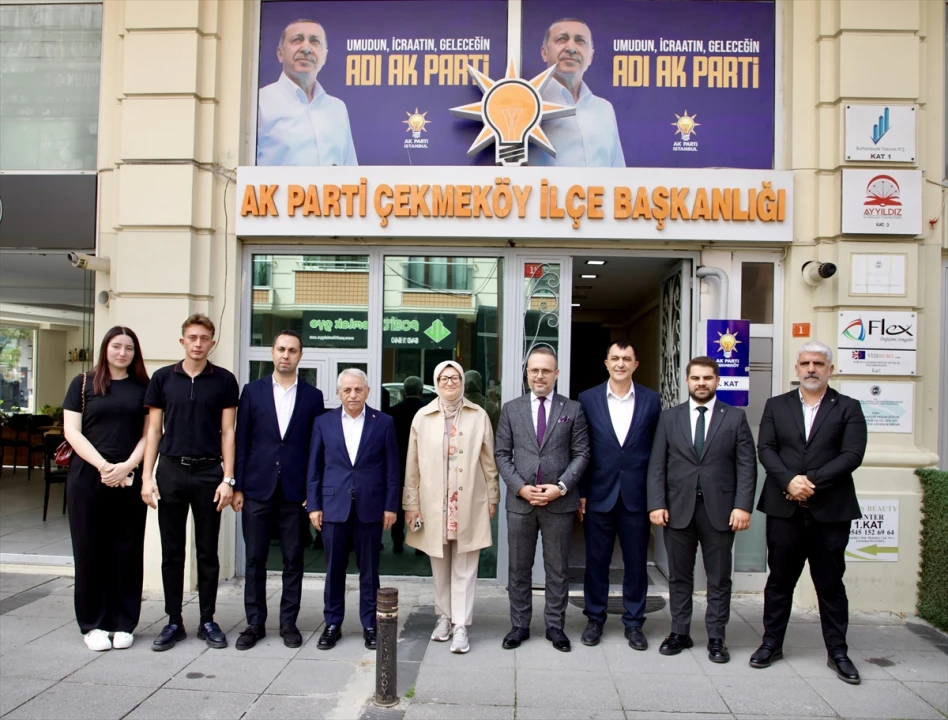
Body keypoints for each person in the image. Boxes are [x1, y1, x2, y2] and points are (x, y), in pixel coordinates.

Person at [750, 341, 867, 684]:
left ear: (830, 369)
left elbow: (852, 455)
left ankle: (838, 652)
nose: (811, 369)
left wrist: (809, 482)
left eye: (818, 363)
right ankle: (771, 644)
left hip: (830, 512)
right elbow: (766, 449)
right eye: (805, 363)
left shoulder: (848, 407)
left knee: (830, 585)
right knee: (779, 582)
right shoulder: (777, 405)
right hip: (784, 511)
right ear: (797, 368)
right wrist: (789, 481)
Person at [646, 356, 758, 663]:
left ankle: (717, 638)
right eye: (695, 378)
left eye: (707, 378)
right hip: (677, 510)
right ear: (687, 381)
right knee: (679, 577)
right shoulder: (669, 418)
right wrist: (656, 503)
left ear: (717, 381)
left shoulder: (734, 417)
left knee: (718, 578)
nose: (701, 383)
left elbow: (746, 466)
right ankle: (679, 632)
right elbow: (657, 465)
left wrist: (742, 506)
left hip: (720, 512)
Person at [141, 314, 240, 652]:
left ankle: (207, 620)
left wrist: (228, 478)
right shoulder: (162, 378)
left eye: (204, 338)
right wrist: (146, 476)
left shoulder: (224, 380)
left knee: (208, 551)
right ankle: (173, 621)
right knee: (172, 551)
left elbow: (228, 432)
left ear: (213, 343)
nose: (198, 344)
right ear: (182, 341)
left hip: (209, 473)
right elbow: (154, 430)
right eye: (192, 338)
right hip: (170, 470)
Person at [232, 330, 326, 651]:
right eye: (281, 349)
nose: (286, 355)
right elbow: (242, 440)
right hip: (256, 489)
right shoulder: (252, 392)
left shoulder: (313, 397)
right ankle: (255, 623)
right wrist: (238, 486)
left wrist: (312, 490)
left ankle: (288, 623)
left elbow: (316, 448)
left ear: (300, 355)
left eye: (292, 350)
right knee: (254, 559)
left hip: (294, 493)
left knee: (293, 560)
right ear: (272, 352)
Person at [495, 346, 589, 652]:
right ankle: (519, 625)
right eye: (534, 370)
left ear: (556, 374)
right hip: (520, 503)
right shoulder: (511, 409)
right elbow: (501, 454)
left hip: (559, 503)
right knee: (518, 568)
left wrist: (560, 487)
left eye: (546, 371)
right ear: (527, 373)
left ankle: (555, 626)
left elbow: (582, 454)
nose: (539, 376)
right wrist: (520, 487)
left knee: (557, 569)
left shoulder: (572, 409)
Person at [62, 326, 150, 651]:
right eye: (116, 346)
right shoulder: (83, 384)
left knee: (127, 551)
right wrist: (103, 467)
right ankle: (93, 624)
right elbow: (72, 431)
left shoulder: (144, 387)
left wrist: (127, 467)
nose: (122, 353)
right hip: (87, 478)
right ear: (105, 348)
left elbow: (150, 434)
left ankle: (124, 623)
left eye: (129, 348)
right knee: (89, 551)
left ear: (135, 353)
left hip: (128, 478)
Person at [403, 361, 500, 654]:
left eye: (455, 377)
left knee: (466, 566)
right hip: (434, 503)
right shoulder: (422, 417)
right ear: (436, 382)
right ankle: (444, 618)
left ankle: (461, 626)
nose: (449, 382)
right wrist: (411, 503)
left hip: (468, 500)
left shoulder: (478, 415)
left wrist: (492, 497)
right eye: (444, 378)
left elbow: (489, 461)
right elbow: (412, 465)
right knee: (440, 564)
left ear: (462, 382)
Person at [307, 368, 398, 650]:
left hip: (370, 507)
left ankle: (370, 624)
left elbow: (392, 470)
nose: (353, 395)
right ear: (338, 393)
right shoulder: (324, 422)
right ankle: (332, 624)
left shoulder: (383, 422)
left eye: (358, 389)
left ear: (367, 391)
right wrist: (314, 505)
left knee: (369, 571)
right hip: (333, 507)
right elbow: (314, 468)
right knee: (334, 569)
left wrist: (391, 506)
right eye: (347, 390)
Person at [577, 342, 660, 650]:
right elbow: (581, 449)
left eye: (626, 359)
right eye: (615, 358)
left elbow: (657, 452)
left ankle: (634, 622)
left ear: (636, 364)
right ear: (606, 363)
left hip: (637, 497)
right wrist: (581, 492)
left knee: (636, 563)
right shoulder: (588, 399)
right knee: (596, 561)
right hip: (598, 495)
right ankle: (594, 619)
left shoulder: (652, 400)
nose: (620, 363)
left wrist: (656, 498)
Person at [257, 19, 358, 166]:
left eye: (314, 41)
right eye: (297, 40)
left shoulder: (337, 108)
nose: (306, 48)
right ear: (280, 53)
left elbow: (350, 170)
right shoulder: (259, 103)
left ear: (324, 56)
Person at [531, 18, 625, 167]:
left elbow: (617, 170)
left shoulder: (604, 109)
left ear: (591, 57)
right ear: (544, 52)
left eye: (580, 41)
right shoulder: (527, 102)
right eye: (562, 39)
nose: (571, 48)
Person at [387, 375, 426, 555]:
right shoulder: (425, 412)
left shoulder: (393, 412)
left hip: (398, 462)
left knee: (398, 503)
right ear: (421, 391)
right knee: (418, 503)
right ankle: (418, 544)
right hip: (421, 464)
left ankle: (397, 542)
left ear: (403, 392)